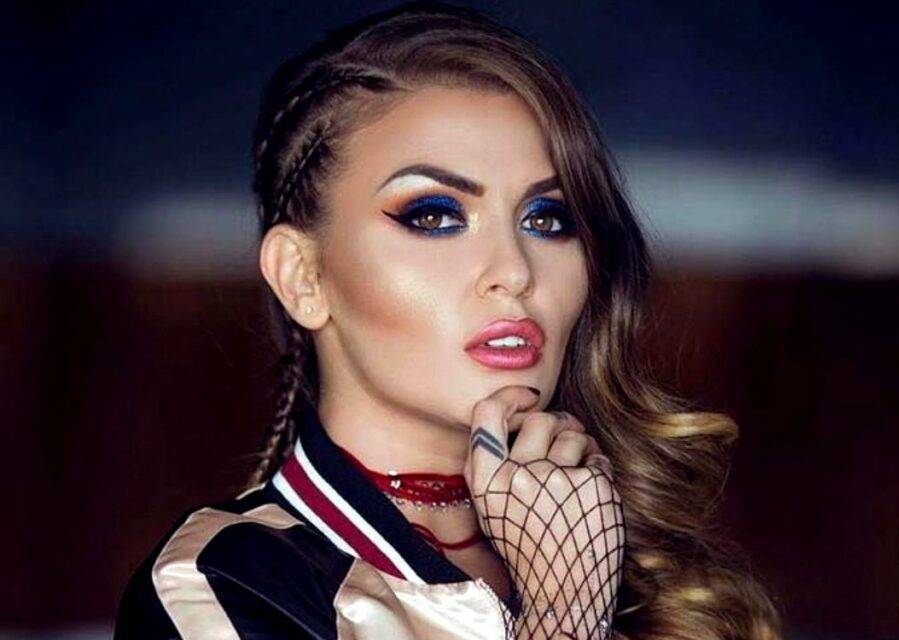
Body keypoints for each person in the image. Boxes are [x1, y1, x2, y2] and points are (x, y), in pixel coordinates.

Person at [114, 2, 784, 638]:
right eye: (434, 216)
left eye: (548, 219)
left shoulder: (647, 567)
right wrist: (565, 611)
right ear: (303, 276)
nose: (514, 270)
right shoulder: (220, 585)